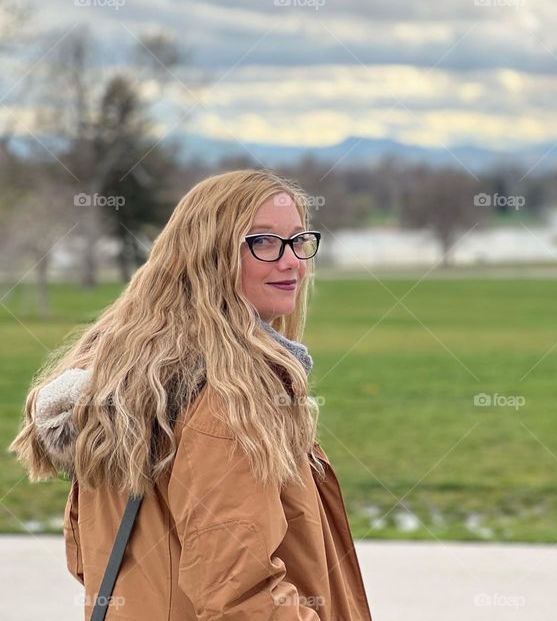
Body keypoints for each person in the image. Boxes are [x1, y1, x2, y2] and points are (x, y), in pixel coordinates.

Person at [10, 169, 373, 620]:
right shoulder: (231, 397)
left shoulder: (130, 383)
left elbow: (91, 559)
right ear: (208, 256)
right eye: (263, 241)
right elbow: (241, 598)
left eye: (299, 240)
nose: (291, 261)